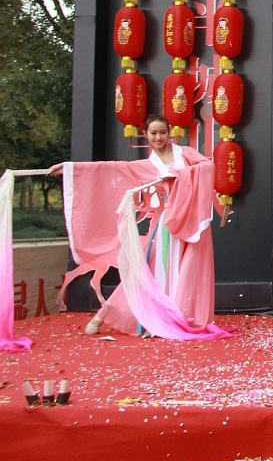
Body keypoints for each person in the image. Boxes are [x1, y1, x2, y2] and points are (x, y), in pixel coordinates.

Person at [48, 114, 216, 335]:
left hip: (191, 219)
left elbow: (208, 166)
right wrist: (71, 168)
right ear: (145, 134)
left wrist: (179, 174)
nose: (158, 137)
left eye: (163, 132)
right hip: (167, 222)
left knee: (190, 270)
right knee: (145, 272)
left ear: (170, 133)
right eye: (153, 133)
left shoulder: (185, 153)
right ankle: (105, 315)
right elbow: (110, 168)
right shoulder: (147, 165)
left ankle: (181, 318)